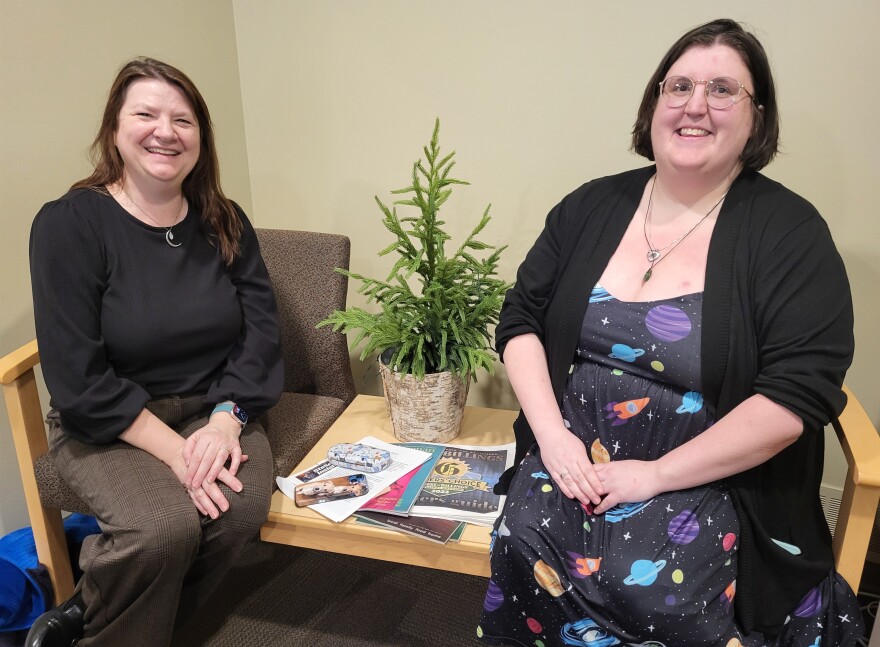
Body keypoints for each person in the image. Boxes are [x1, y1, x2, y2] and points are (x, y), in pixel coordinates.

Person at [477, 19, 863, 647]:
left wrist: (653, 476)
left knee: (649, 585)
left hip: (706, 474)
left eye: (722, 89)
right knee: (521, 540)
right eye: (678, 86)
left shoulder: (791, 234)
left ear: (756, 118)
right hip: (571, 456)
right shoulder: (591, 205)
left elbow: (796, 397)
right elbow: (521, 316)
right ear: (655, 103)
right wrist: (552, 439)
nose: (695, 106)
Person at [27, 57, 283, 646]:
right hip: (110, 421)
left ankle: (94, 613)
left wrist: (224, 424)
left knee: (238, 511)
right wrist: (176, 453)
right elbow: (75, 375)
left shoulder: (224, 220)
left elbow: (260, 332)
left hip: (217, 408)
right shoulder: (68, 225)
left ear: (201, 139)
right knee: (161, 528)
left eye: (183, 120)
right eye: (145, 114)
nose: (165, 131)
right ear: (114, 128)